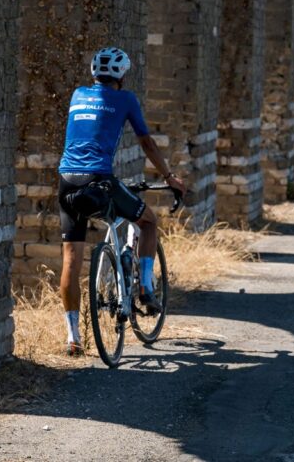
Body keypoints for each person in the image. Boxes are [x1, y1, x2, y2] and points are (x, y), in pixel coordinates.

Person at [57, 47, 187, 356]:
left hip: (65, 181)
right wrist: (169, 176)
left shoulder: (77, 94)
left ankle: (73, 336)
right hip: (99, 180)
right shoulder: (125, 98)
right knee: (148, 221)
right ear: (122, 75)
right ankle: (145, 287)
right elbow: (146, 142)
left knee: (70, 261)